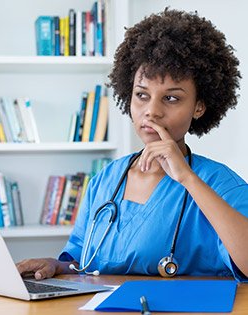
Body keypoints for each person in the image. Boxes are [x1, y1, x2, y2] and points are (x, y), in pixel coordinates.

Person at [17, 8, 248, 281]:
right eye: (141, 95)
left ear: (198, 107)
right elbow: (83, 262)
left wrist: (186, 178)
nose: (151, 111)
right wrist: (57, 265)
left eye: (171, 98)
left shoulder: (221, 184)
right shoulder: (106, 179)